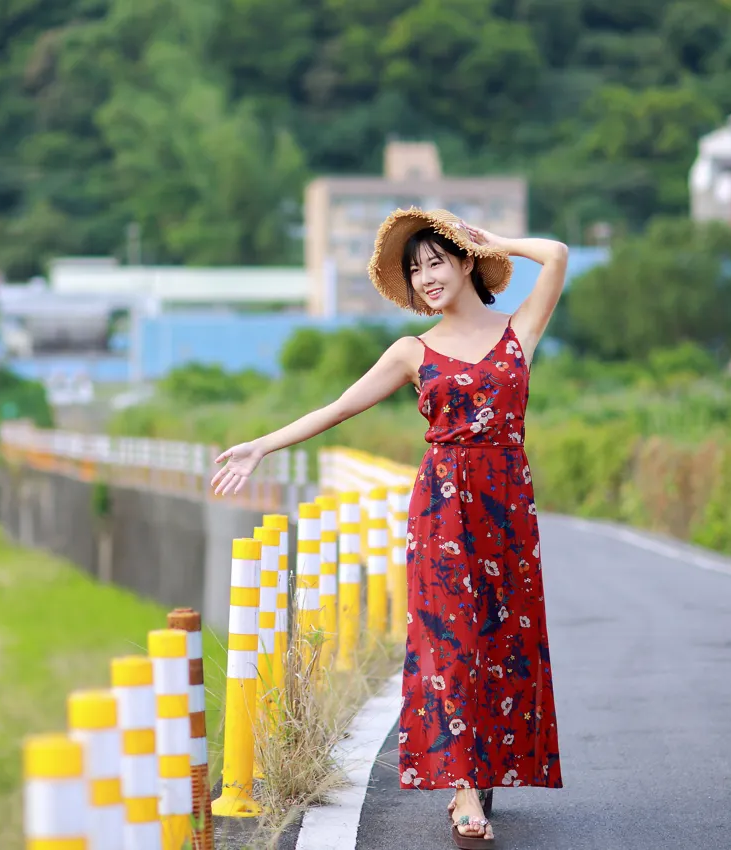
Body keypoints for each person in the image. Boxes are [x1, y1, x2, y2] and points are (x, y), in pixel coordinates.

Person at [210, 208, 568, 849]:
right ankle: (461, 790)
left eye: (437, 261)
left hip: (508, 505)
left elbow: (559, 254)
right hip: (441, 506)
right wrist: (260, 446)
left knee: (502, 638)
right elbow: (339, 407)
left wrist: (494, 240)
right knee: (449, 642)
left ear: (465, 263)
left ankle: (480, 766)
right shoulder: (413, 351)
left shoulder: (520, 330)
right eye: (415, 270)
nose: (427, 277)